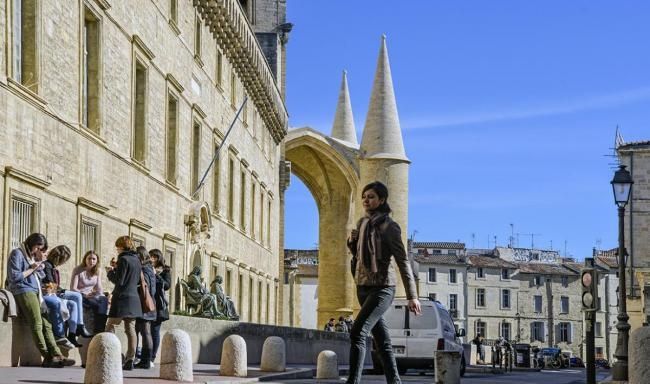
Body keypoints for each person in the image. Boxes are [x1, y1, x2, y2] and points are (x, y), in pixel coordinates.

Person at [346, 181, 421, 384]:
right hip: (362, 286)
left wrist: (412, 296)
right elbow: (360, 258)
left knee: (357, 332)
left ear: (381, 200)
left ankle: (352, 381)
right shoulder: (362, 224)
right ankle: (394, 382)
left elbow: (402, 261)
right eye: (364, 197)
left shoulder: (390, 227)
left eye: (371, 197)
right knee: (382, 342)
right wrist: (353, 244)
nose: (366, 200)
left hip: (383, 288)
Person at [6, 233, 75, 367]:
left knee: (47, 324)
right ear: (32, 244)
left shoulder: (32, 257)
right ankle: (48, 356)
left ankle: (57, 354)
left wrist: (39, 263)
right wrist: (32, 268)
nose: (39, 251)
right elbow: (14, 277)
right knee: (37, 323)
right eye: (38, 247)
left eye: (41, 249)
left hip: (36, 291)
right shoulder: (17, 254)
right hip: (23, 290)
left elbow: (41, 275)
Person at [41, 245, 91, 347]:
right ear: (59, 258)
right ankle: (80, 326)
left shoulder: (52, 267)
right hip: (50, 293)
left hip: (55, 291)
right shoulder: (47, 265)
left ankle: (72, 334)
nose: (64, 262)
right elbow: (50, 284)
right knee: (77, 296)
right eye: (65, 259)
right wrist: (61, 290)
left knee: (73, 304)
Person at [105, 236, 143, 370]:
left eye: (117, 247)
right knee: (130, 330)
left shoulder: (123, 259)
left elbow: (119, 281)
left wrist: (110, 272)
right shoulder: (137, 260)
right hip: (134, 299)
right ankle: (130, 359)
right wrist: (117, 267)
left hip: (121, 298)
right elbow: (133, 278)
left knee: (110, 326)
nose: (117, 249)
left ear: (122, 246)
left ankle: (110, 354)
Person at [70, 250, 109, 334]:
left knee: (104, 300)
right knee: (97, 304)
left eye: (94, 259)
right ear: (85, 259)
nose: (91, 261)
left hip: (91, 295)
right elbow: (73, 288)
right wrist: (85, 294)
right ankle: (98, 330)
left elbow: (99, 287)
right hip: (81, 295)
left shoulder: (98, 270)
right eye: (89, 258)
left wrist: (100, 294)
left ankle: (100, 328)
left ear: (97, 261)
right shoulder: (78, 270)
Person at [134, 246, 156, 369]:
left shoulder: (145, 269)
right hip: (149, 304)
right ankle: (145, 359)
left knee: (145, 331)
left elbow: (145, 287)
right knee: (144, 331)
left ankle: (146, 360)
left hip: (144, 304)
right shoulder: (150, 268)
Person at [149, 248, 171, 366]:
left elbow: (167, 285)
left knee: (155, 331)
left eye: (154, 257)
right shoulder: (146, 268)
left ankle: (152, 357)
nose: (152, 259)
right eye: (150, 256)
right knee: (145, 331)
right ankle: (144, 355)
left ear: (159, 258)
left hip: (158, 305)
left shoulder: (165, 270)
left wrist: (156, 275)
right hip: (147, 303)